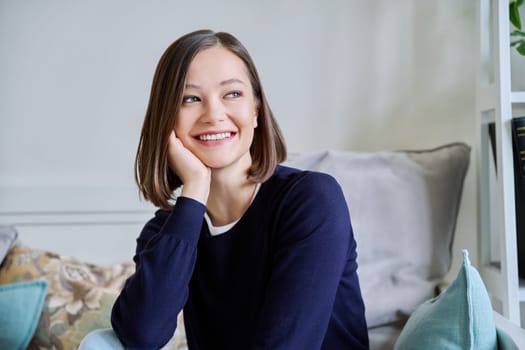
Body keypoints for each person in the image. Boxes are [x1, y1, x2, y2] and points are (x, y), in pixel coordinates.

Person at [79, 29, 369, 350]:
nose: (214, 114)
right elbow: (141, 336)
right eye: (190, 99)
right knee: (98, 345)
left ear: (256, 110)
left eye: (232, 94)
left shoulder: (310, 199)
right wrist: (194, 191)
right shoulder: (168, 231)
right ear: (167, 122)